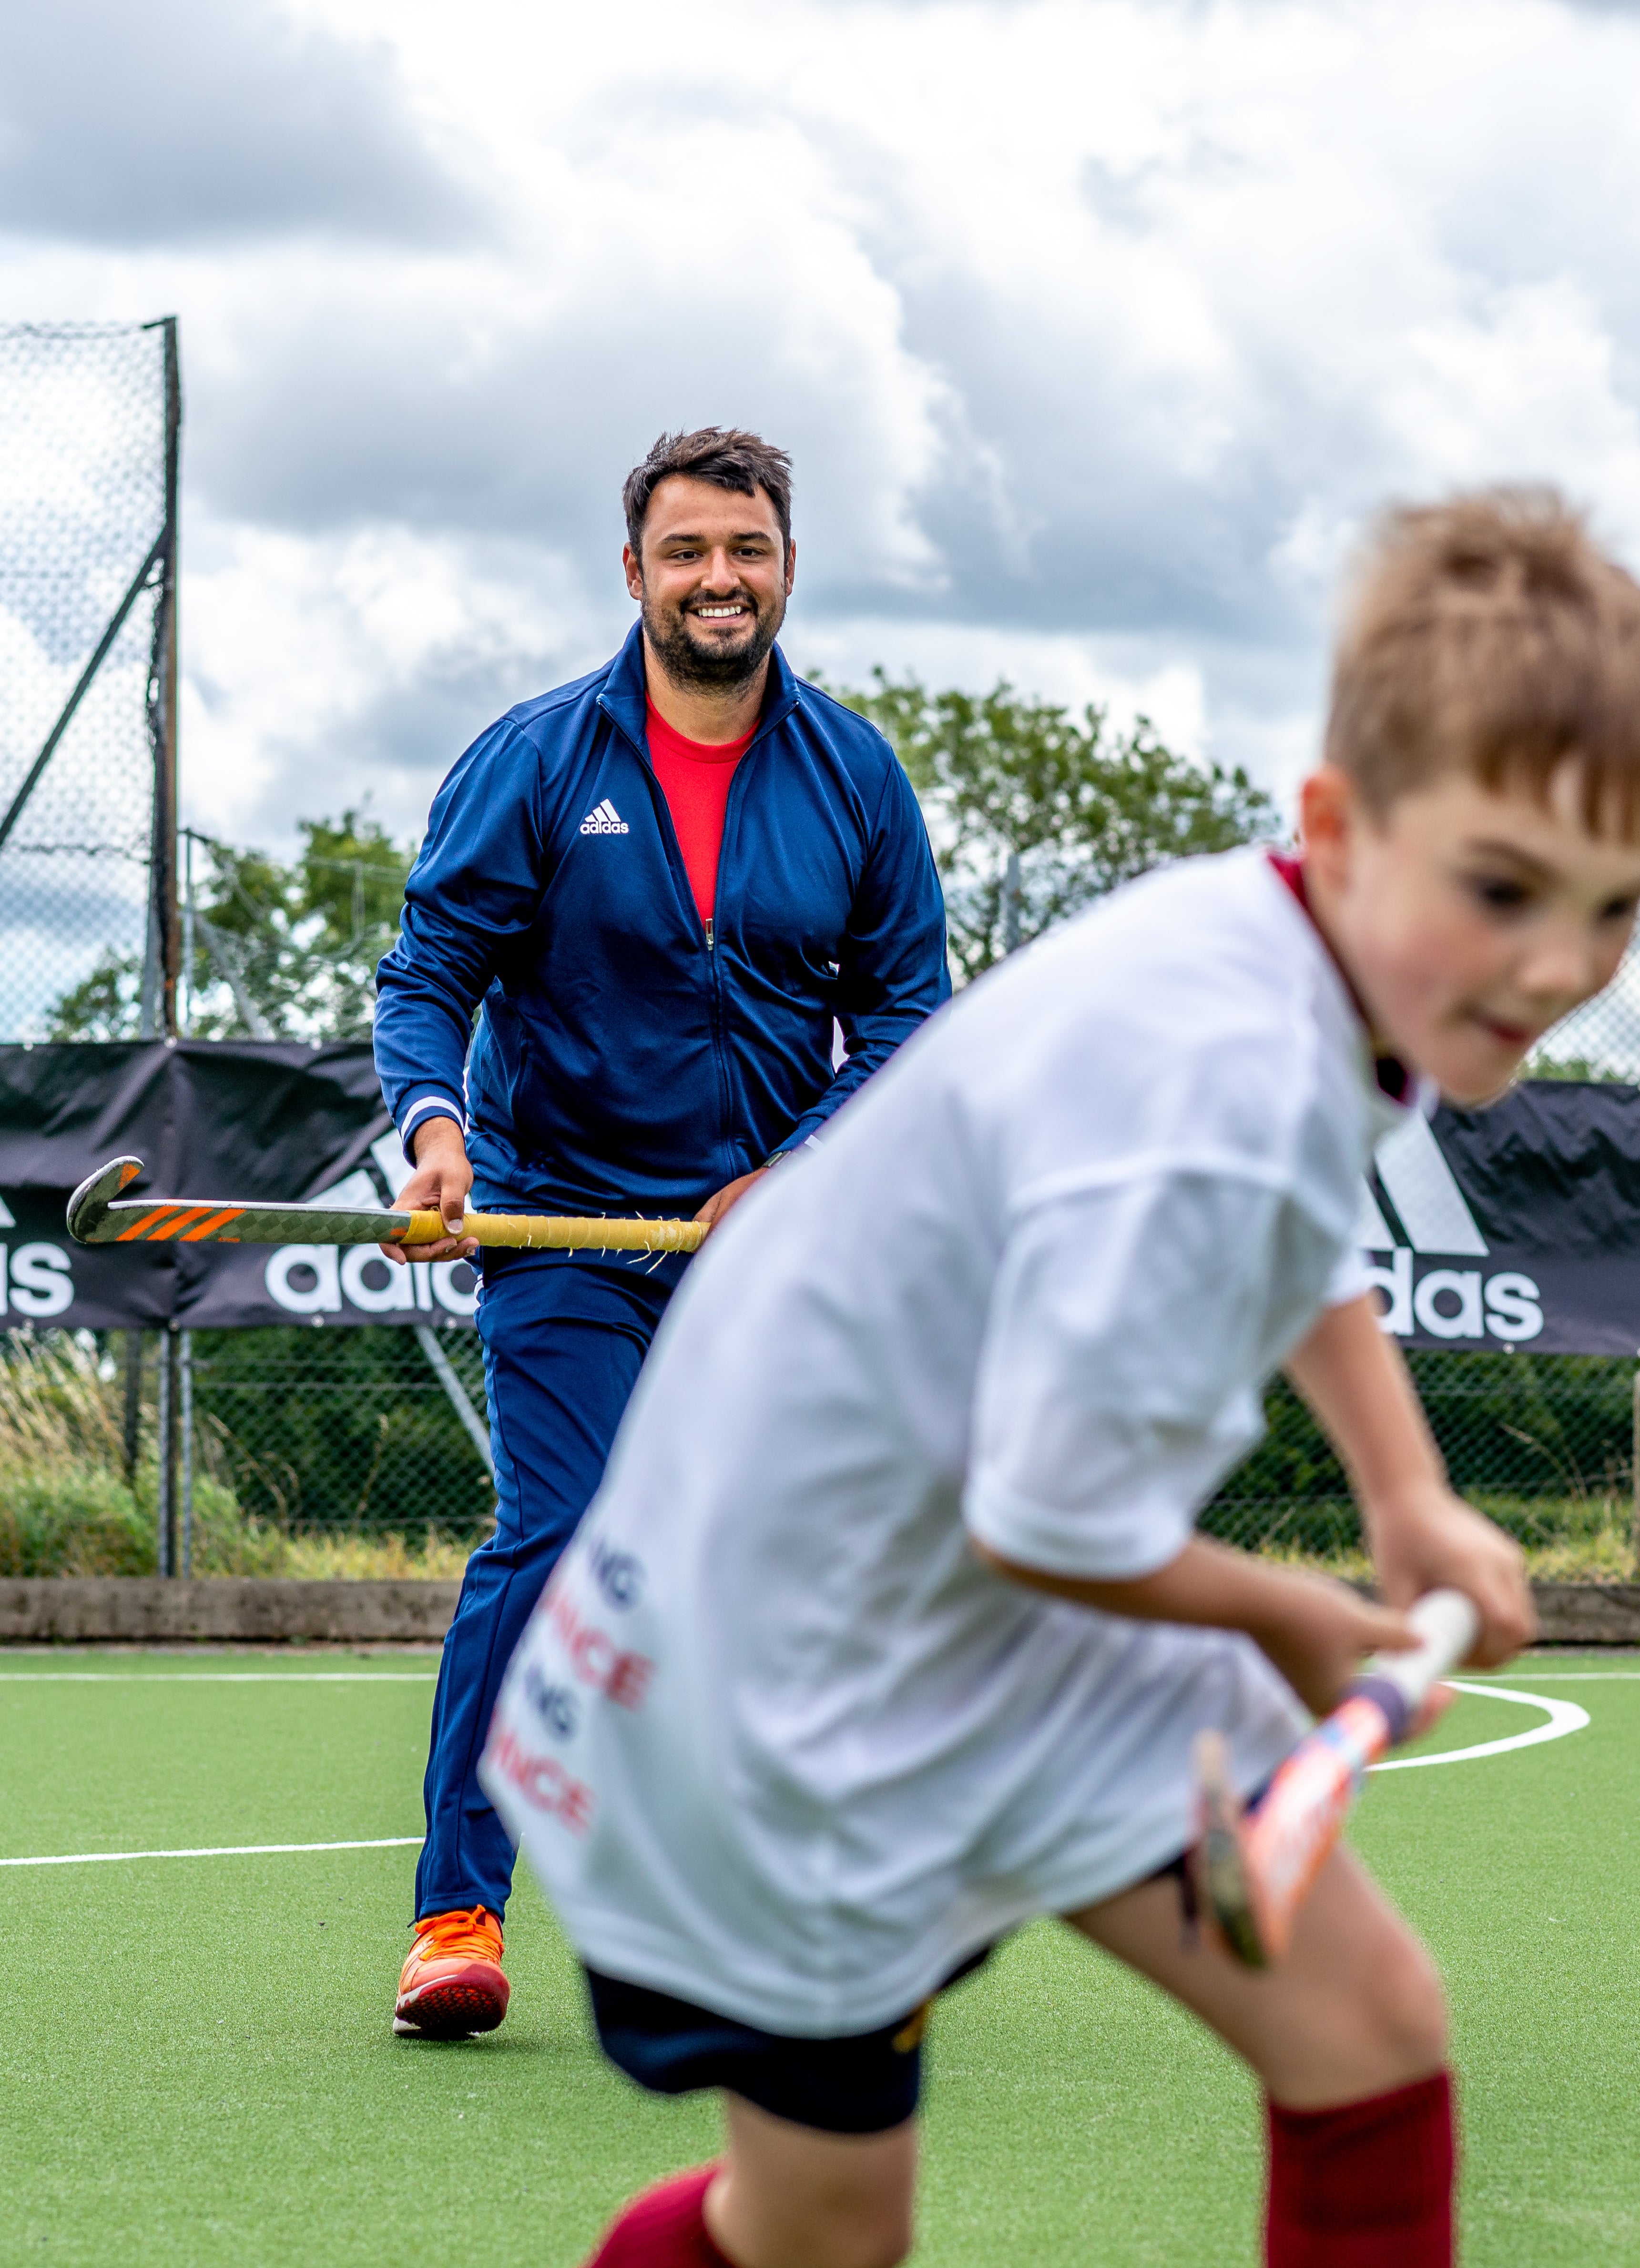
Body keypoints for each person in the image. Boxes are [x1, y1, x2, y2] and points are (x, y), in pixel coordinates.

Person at [483, 488, 1640, 2268]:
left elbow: (1301, 1229)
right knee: (821, 2234)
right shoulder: (1208, 1084)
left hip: (969, 1610)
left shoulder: (1320, 945)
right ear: (1340, 824)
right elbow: (1048, 1511)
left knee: (1364, 2026)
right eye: (1510, 891)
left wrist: (1406, 1493)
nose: (1558, 968)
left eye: (1619, 909)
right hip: (786, 1688)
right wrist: (1294, 1616)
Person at [372, 427, 949, 2040]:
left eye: (747, 550)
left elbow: (909, 1014)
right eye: (688, 552)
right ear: (634, 572)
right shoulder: (539, 759)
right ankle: (457, 1917)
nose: (719, 579)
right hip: (562, 1228)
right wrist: (434, 1134)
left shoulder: (854, 777)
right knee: (559, 1537)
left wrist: (803, 1165)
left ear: (785, 566)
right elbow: (430, 978)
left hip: (763, 1253)